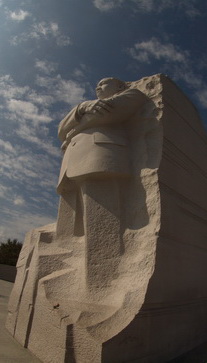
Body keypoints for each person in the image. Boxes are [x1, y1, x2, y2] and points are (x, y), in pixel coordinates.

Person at [55, 78, 148, 288]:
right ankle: (67, 283)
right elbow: (61, 129)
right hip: (72, 163)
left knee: (101, 221)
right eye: (96, 84)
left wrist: (73, 131)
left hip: (101, 155)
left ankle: (103, 282)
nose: (97, 87)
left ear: (120, 87)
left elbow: (109, 112)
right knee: (67, 229)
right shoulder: (85, 107)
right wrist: (81, 107)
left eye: (104, 83)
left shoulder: (132, 95)